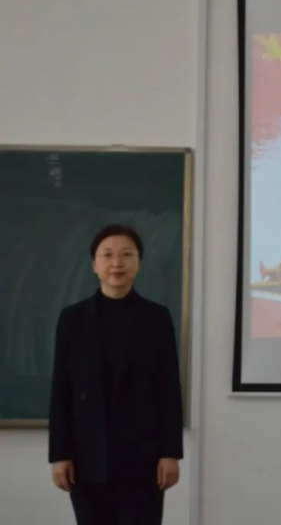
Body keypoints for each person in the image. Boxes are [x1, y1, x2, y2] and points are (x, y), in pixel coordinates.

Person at [48, 224, 184, 525]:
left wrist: (170, 454)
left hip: (143, 459)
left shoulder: (156, 318)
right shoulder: (72, 319)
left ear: (138, 263)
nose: (116, 263)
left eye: (126, 255)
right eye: (107, 255)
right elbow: (61, 390)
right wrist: (59, 455)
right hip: (86, 459)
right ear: (94, 264)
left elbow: (169, 390)